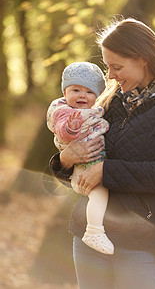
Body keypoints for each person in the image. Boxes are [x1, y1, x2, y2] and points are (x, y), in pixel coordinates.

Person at [49, 17, 155, 289]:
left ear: (143, 59)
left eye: (116, 67)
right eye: (108, 67)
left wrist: (105, 172)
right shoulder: (111, 99)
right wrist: (64, 160)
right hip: (89, 233)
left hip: (140, 238)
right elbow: (85, 163)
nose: (111, 76)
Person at [47, 62, 114, 255]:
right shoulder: (64, 111)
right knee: (100, 193)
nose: (82, 96)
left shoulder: (95, 110)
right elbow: (61, 129)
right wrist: (71, 127)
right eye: (76, 90)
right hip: (85, 167)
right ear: (65, 92)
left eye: (89, 92)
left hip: (89, 162)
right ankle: (94, 230)